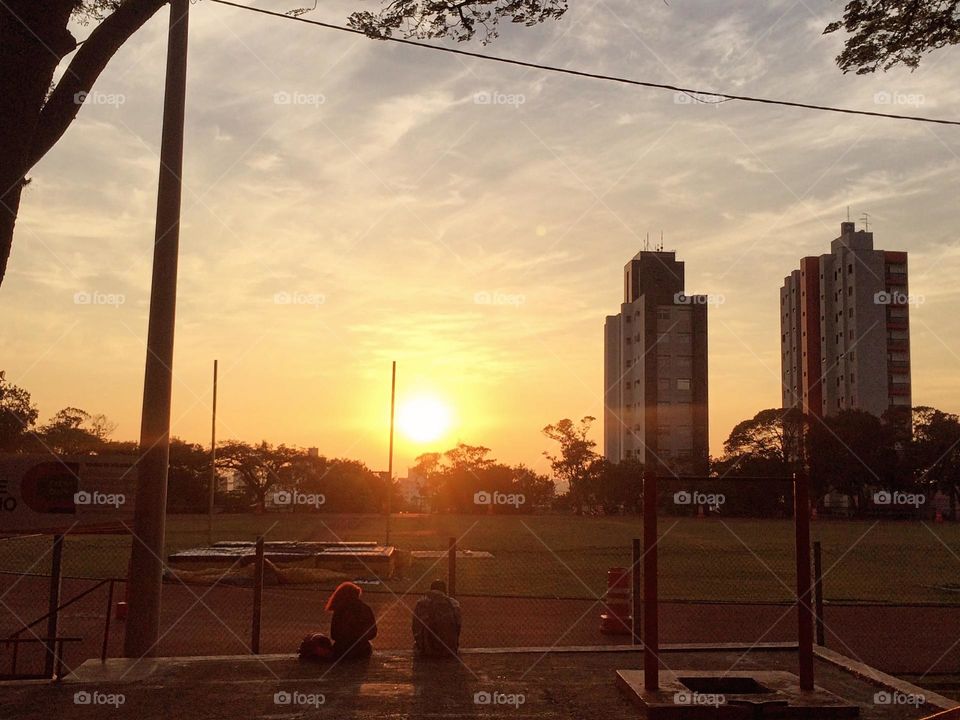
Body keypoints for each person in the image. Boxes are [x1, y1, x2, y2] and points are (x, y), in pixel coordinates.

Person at [326, 581, 377, 660]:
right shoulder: (366, 608)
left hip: (343, 649)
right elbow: (373, 633)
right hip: (363, 649)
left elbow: (334, 635)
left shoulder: (340, 609)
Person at [412, 579, 461, 658]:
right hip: (450, 650)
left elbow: (415, 627)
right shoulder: (454, 603)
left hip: (427, 651)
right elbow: (458, 626)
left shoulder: (421, 602)